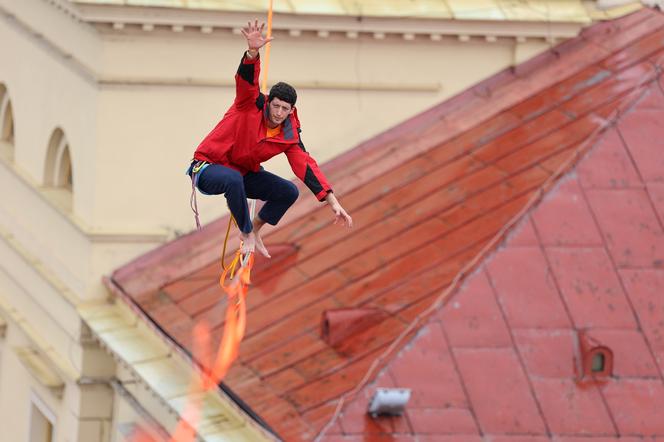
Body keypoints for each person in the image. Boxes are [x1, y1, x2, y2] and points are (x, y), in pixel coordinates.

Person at [188, 21, 352, 258]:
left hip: (242, 174)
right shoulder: (249, 104)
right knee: (233, 178)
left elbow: (305, 165)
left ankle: (254, 229)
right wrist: (252, 53)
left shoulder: (290, 134)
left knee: (288, 191)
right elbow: (246, 81)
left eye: (284, 109)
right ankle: (245, 233)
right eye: (275, 106)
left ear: (291, 110)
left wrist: (332, 200)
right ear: (269, 102)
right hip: (208, 168)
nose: (277, 113)